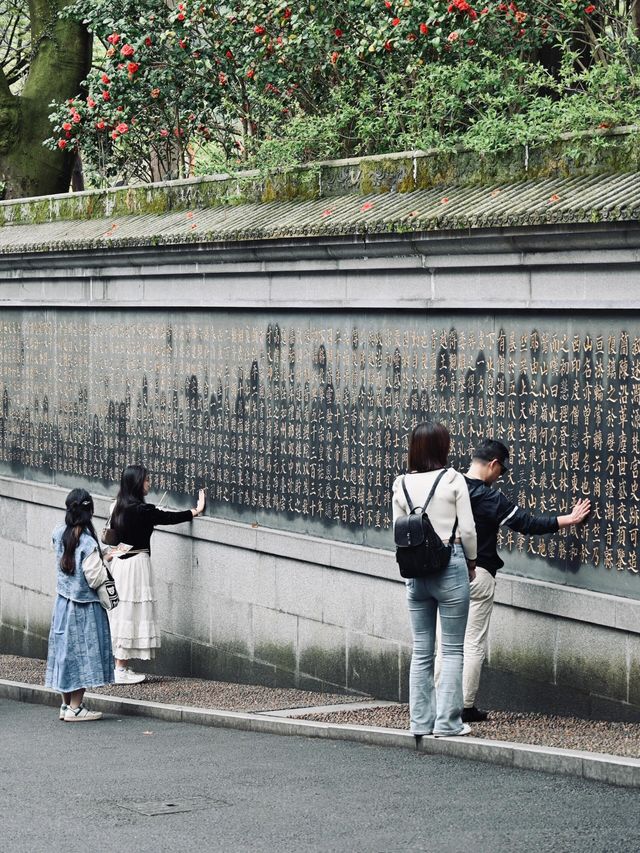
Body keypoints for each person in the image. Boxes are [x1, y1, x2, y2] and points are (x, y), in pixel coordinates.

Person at [449, 438, 591, 723]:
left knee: (445, 641)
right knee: (473, 642)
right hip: (479, 575)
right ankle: (464, 707)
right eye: (501, 472)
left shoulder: (448, 485)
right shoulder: (489, 498)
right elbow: (526, 524)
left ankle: (440, 702)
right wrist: (569, 519)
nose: (500, 477)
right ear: (493, 465)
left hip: (446, 574)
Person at [392, 422, 478, 739]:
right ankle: (447, 724)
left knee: (422, 651)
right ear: (442, 448)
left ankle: (419, 723)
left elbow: (399, 534)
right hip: (451, 565)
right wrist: (471, 563)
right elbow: (468, 530)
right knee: (453, 650)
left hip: (415, 573)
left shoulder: (400, 484)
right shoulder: (453, 479)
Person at [107, 464, 205, 684]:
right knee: (131, 611)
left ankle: (119, 665)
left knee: (122, 611)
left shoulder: (116, 506)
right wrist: (195, 511)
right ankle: (120, 669)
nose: (149, 483)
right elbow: (169, 518)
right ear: (136, 483)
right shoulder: (143, 511)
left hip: (120, 564)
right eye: (146, 479)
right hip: (136, 565)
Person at [45, 488, 115, 721]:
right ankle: (76, 707)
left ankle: (66, 705)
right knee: (84, 654)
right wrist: (106, 559)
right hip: (84, 607)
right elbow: (94, 578)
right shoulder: (87, 541)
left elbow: (65, 556)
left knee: (65, 654)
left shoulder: (57, 532)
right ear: (89, 512)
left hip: (63, 604)